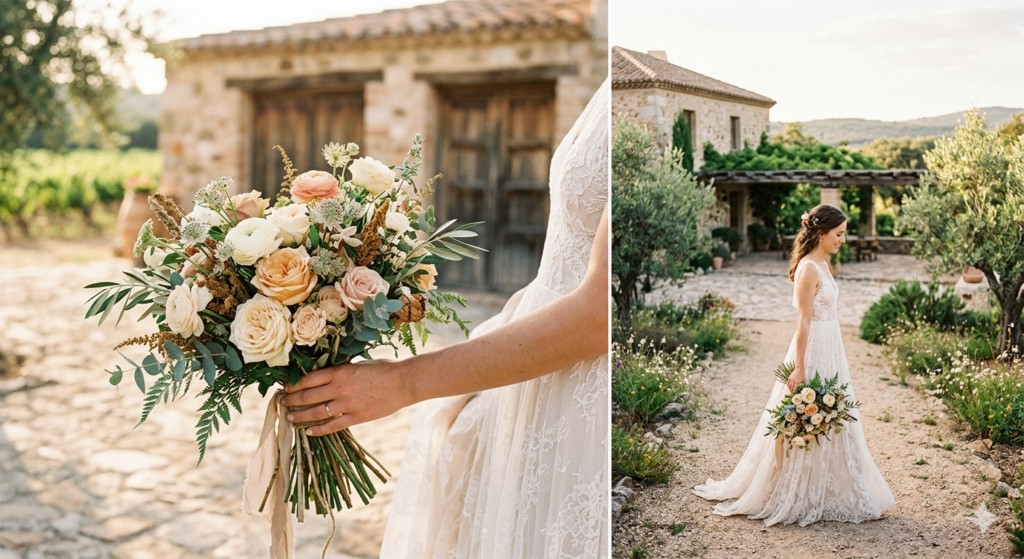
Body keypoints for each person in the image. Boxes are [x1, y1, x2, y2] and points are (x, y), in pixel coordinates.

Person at [282, 79, 610, 558]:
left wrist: (403, 383)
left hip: (578, 390)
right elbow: (565, 259)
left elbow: (599, 311)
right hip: (534, 370)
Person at [692, 204, 895, 526]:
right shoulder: (808, 269)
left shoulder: (824, 264)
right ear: (820, 233)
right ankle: (798, 491)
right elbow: (803, 323)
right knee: (809, 418)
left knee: (837, 417)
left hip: (832, 347)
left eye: (844, 233)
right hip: (813, 349)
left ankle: (844, 492)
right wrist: (800, 368)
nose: (844, 239)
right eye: (839, 234)